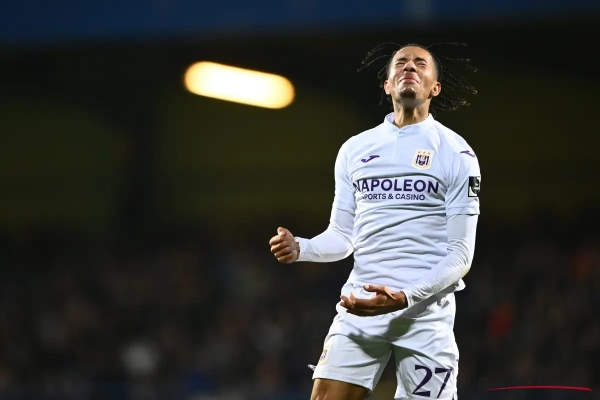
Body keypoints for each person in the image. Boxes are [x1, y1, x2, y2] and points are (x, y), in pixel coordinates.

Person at [269, 42, 481, 400]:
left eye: (420, 63)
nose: (409, 67)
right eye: (401, 62)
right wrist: (301, 248)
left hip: (425, 314)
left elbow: (461, 254)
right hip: (361, 305)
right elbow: (342, 235)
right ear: (387, 85)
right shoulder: (355, 149)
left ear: (435, 88)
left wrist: (405, 296)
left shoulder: (457, 153)